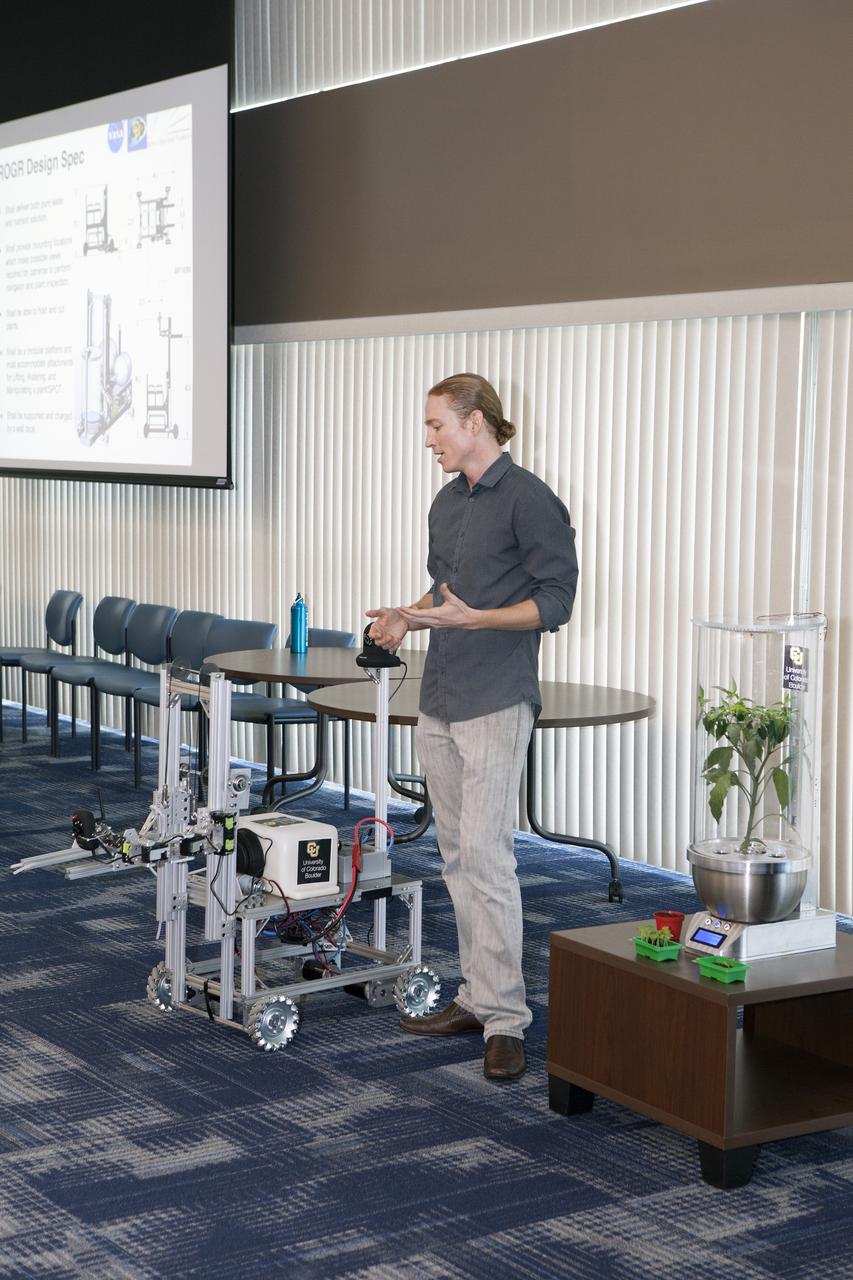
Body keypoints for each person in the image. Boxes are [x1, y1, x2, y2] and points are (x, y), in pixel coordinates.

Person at [367, 373, 578, 1081]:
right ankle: (476, 996)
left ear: (476, 422)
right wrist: (407, 614)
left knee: (487, 859)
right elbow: (445, 590)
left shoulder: (531, 500)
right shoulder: (445, 501)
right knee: (457, 858)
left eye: (436, 425)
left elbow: (554, 603)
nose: (427, 438)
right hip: (441, 697)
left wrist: (476, 619)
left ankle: (507, 1022)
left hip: (495, 697)